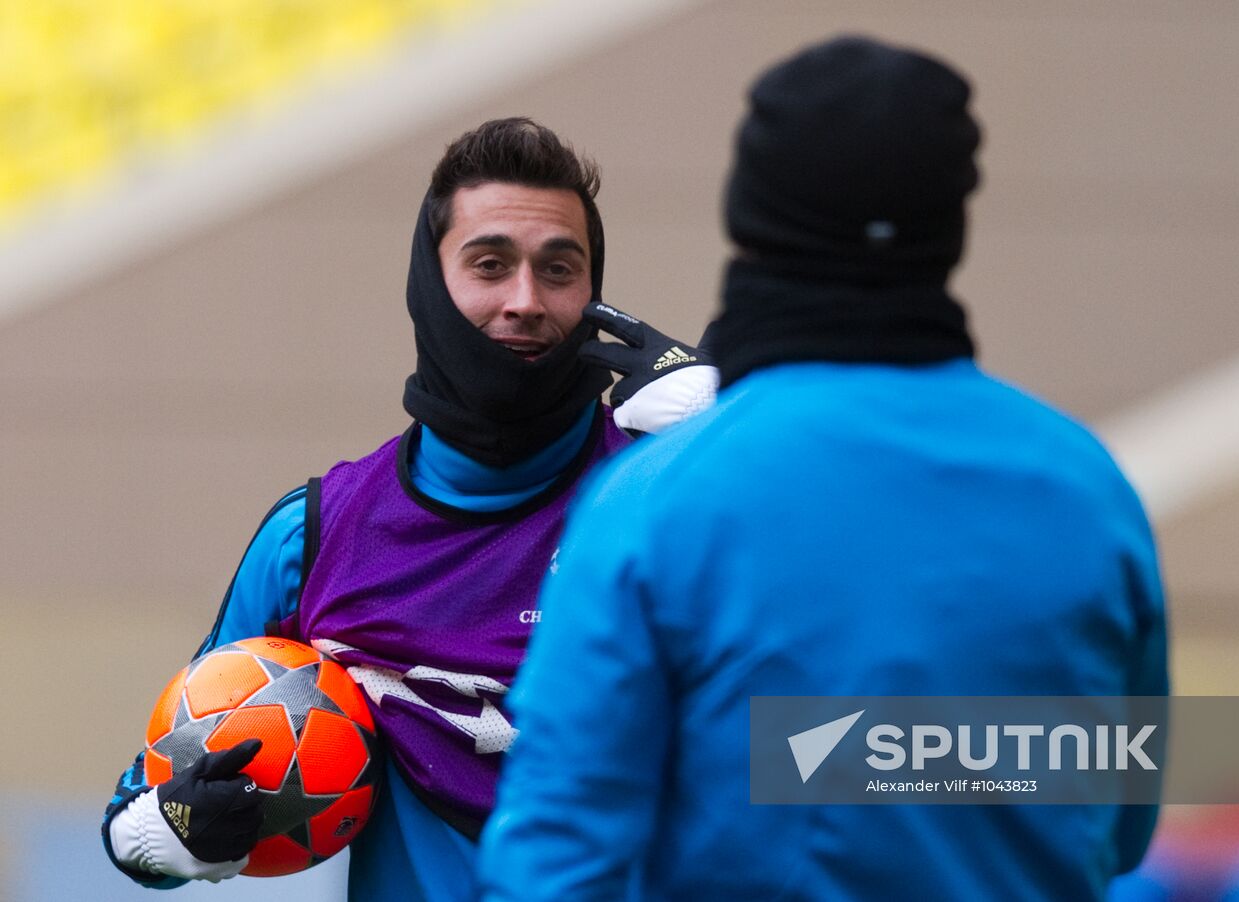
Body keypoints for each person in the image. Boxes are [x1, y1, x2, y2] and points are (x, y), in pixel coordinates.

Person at [479, 37, 1169, 901]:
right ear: (948, 220)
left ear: (752, 215)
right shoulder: (1089, 491)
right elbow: (1124, 824)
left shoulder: (653, 502)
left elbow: (557, 858)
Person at [99, 117, 718, 899]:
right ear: (430, 283)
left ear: (597, 295)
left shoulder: (686, 503)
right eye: (490, 264)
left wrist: (754, 447)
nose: (525, 301)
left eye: (559, 269)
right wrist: (173, 833)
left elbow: (886, 757)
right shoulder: (317, 536)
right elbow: (140, 814)